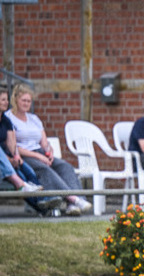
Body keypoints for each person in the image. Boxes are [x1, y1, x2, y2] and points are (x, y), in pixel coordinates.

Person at [7, 84, 91, 216]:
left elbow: (44, 142)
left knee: (65, 166)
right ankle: (73, 198)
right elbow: (13, 146)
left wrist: (49, 152)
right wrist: (39, 156)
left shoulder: (34, 119)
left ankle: (72, 205)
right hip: (24, 155)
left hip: (40, 153)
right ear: (15, 99)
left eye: (29, 101)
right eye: (23, 100)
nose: (26, 103)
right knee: (44, 168)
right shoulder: (9, 118)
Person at [0, 85, 57, 215]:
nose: (6, 102)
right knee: (21, 177)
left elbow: (12, 143)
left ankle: (43, 202)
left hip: (7, 155)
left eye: (7, 99)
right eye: (3, 100)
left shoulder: (5, 119)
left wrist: (16, 157)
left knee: (30, 173)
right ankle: (42, 205)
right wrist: (9, 160)